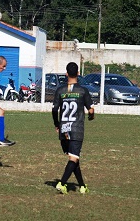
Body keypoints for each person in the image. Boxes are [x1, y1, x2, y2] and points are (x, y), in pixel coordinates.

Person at [52, 62, 94, 194]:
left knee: (73, 158)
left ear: (66, 74)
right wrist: (91, 116)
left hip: (64, 128)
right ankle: (62, 183)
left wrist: (57, 124)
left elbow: (54, 110)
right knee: (73, 158)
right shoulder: (83, 90)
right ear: (78, 74)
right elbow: (91, 110)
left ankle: (82, 186)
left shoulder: (60, 90)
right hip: (76, 129)